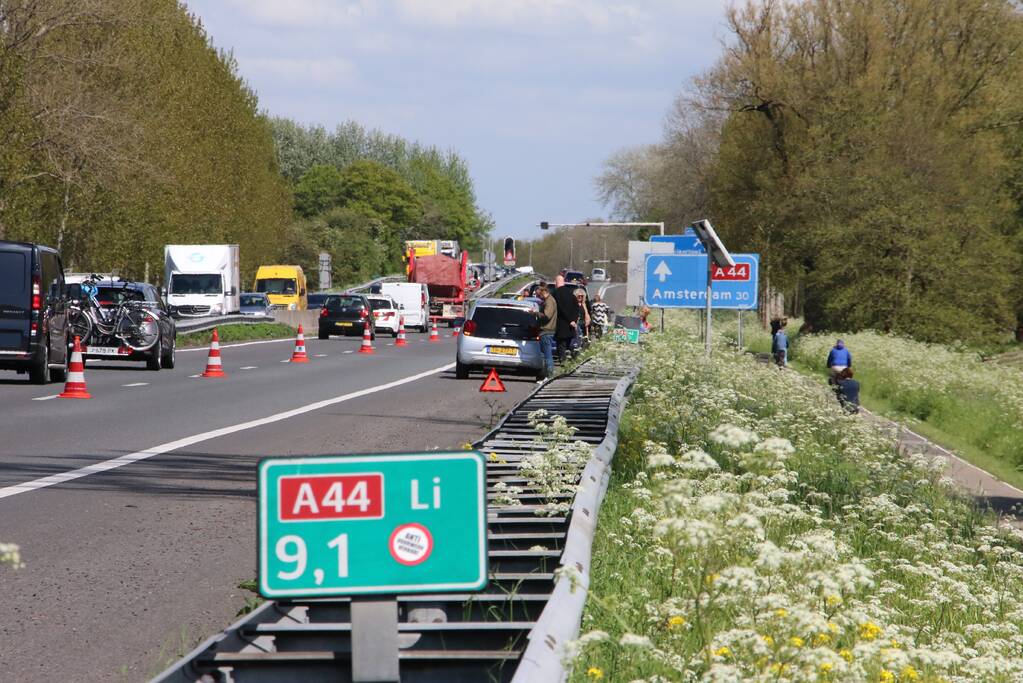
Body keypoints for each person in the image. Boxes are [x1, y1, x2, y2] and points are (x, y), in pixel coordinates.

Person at [552, 274, 580, 361]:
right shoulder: (571, 293)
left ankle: (563, 361)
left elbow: (560, 309)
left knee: (561, 345)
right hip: (571, 326)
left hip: (561, 324)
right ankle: (568, 359)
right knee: (568, 344)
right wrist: (574, 320)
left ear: (556, 283)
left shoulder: (555, 294)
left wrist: (569, 320)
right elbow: (577, 308)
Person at [535, 283, 557, 379]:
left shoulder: (549, 301)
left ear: (543, 292)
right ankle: (547, 374)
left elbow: (547, 315)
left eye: (538, 295)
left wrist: (536, 313)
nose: (538, 297)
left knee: (547, 355)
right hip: (546, 331)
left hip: (546, 331)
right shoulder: (548, 301)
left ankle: (549, 374)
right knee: (546, 354)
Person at [572, 288, 590, 355]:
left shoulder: (583, 304)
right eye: (578, 296)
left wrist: (588, 320)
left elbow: (586, 314)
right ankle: (576, 352)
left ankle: (582, 352)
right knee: (578, 339)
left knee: (584, 340)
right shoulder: (573, 304)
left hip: (583, 324)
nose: (580, 297)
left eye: (581, 296)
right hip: (577, 324)